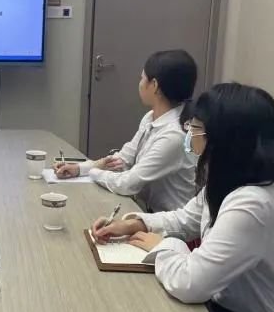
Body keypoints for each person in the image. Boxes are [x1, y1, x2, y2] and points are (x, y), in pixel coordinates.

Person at [92, 83, 274, 312]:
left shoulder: (254, 204)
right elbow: (185, 219)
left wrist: (162, 246)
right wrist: (135, 223)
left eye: (194, 129)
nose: (188, 135)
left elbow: (191, 283)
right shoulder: (232, 183)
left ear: (225, 140)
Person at [55, 49, 198, 212]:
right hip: (147, 211)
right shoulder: (151, 117)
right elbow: (123, 160)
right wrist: (80, 169)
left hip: (168, 221)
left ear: (155, 86)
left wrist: (94, 172)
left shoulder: (174, 136)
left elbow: (129, 184)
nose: (139, 83)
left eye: (142, 78)